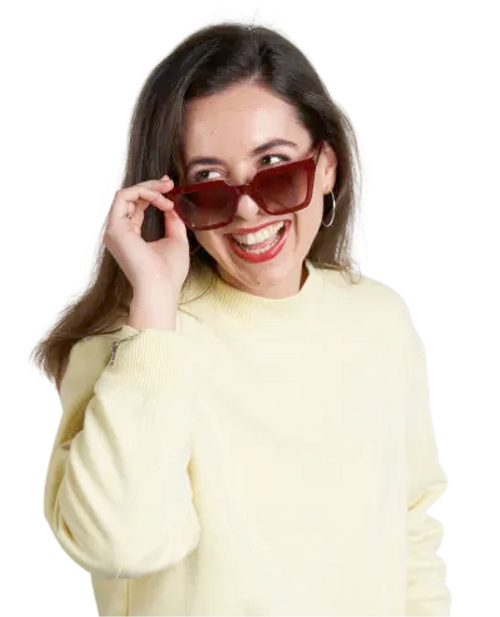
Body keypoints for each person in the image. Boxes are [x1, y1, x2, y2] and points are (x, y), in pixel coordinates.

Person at [35, 7, 453, 617]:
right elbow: (122, 545)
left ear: (327, 165)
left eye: (277, 170)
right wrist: (153, 312)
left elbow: (413, 531)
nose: (249, 210)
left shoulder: (382, 320)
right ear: (174, 199)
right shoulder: (137, 343)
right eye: (210, 184)